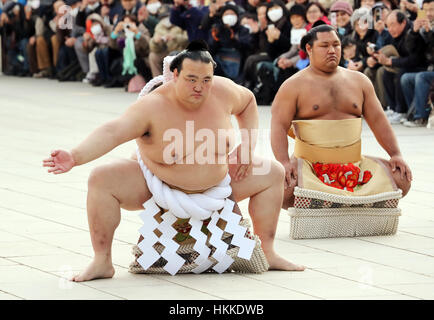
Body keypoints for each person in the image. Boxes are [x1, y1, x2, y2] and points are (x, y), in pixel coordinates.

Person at [43, 40, 305, 282]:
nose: (199, 87)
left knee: (271, 172)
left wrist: (246, 144)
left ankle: (267, 251)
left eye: (206, 80)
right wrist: (75, 156)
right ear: (175, 74)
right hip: (158, 186)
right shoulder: (152, 107)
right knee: (101, 178)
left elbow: (248, 101)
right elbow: (113, 131)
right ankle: (102, 261)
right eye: (191, 79)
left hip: (221, 185)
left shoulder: (223, 91)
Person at [270, 25, 412, 211]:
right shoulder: (293, 86)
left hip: (354, 165)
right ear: (309, 49)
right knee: (284, 187)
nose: (332, 50)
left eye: (336, 45)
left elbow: (379, 121)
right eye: (324, 45)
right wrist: (284, 162)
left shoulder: (360, 81)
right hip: (310, 166)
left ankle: (345, 204)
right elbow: (278, 126)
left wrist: (395, 154)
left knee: (402, 178)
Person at [401, 0, 434, 127]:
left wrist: (430, 33)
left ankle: (420, 117)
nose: (429, 14)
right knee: (406, 78)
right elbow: (410, 50)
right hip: (427, 68)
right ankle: (412, 114)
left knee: (422, 77)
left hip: (429, 72)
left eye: (432, 10)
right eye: (425, 11)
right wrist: (414, 32)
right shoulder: (421, 27)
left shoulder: (429, 29)